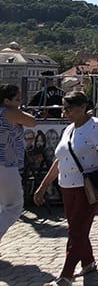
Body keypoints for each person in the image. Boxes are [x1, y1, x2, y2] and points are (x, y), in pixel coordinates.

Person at [33, 91, 98, 285]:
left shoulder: (96, 126)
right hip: (66, 185)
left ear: (81, 107)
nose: (65, 112)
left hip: (86, 187)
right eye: (64, 107)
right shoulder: (69, 129)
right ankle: (88, 263)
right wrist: (43, 186)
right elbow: (59, 160)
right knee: (77, 228)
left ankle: (66, 275)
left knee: (76, 232)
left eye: (68, 108)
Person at [1, 83, 37, 242]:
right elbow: (32, 121)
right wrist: (19, 110)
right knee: (14, 207)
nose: (20, 102)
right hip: (6, 165)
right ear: (7, 101)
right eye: (17, 99)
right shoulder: (8, 112)